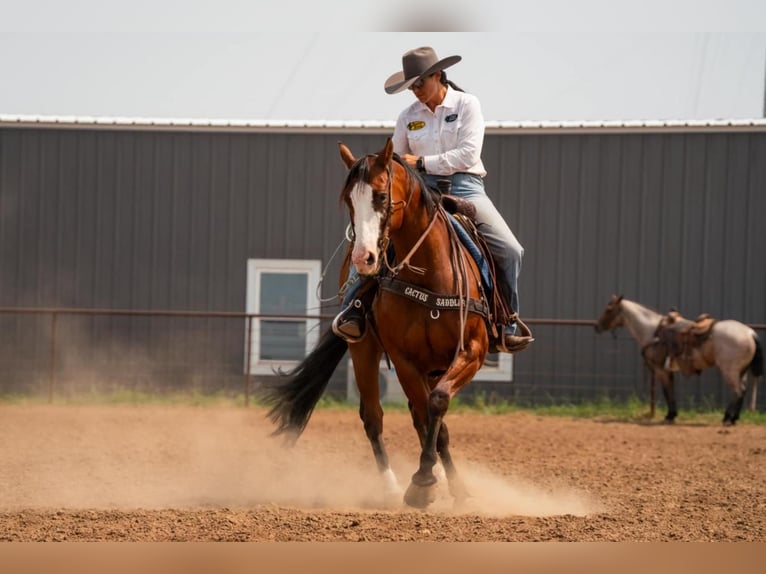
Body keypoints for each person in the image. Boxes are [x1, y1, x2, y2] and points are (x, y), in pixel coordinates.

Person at [332, 46, 533, 353]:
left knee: (510, 250)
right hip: (421, 191)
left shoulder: (467, 104)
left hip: (466, 188)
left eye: (419, 84)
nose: (415, 91)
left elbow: (468, 154)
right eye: (411, 86)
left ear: (438, 75)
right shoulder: (407, 116)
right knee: (376, 238)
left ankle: (506, 320)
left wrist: (422, 164)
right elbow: (395, 163)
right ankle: (354, 308)